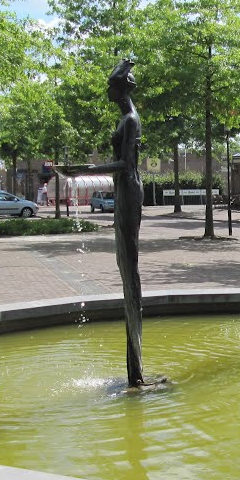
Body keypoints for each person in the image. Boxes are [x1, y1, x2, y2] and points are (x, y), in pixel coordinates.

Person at [67, 59, 152, 388]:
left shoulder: (130, 120)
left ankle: (137, 367)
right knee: (123, 262)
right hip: (123, 190)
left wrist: (85, 170)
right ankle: (136, 366)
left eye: (110, 85)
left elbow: (125, 164)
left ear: (122, 88)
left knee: (128, 264)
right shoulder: (125, 118)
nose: (107, 90)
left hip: (129, 190)